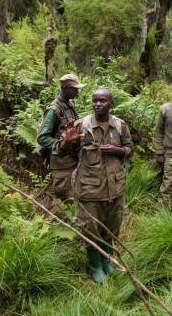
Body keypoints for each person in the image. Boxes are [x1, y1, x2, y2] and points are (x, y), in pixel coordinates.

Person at [62, 88, 133, 283]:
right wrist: (67, 142)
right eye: (95, 100)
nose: (98, 104)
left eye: (102, 101)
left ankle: (107, 262)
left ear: (111, 103)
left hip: (115, 188)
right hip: (89, 189)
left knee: (112, 228)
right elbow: (63, 153)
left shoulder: (119, 125)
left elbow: (129, 148)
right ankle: (95, 267)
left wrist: (118, 150)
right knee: (91, 228)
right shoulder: (81, 126)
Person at [37, 73, 85, 200]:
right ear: (65, 89)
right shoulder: (54, 110)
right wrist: (62, 143)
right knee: (64, 200)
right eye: (75, 89)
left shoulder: (70, 105)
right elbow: (42, 137)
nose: (77, 92)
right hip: (61, 165)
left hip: (72, 160)